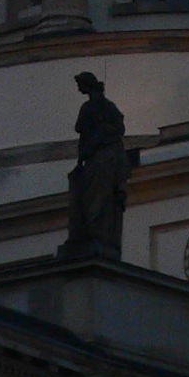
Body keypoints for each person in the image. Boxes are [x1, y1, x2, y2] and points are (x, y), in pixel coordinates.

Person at [61, 72, 132, 261]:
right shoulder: (101, 107)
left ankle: (95, 232)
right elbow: (84, 133)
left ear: (87, 85)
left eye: (80, 84)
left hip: (102, 159)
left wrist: (99, 136)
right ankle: (94, 232)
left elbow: (84, 130)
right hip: (99, 159)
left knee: (96, 197)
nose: (78, 88)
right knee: (95, 197)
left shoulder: (96, 108)